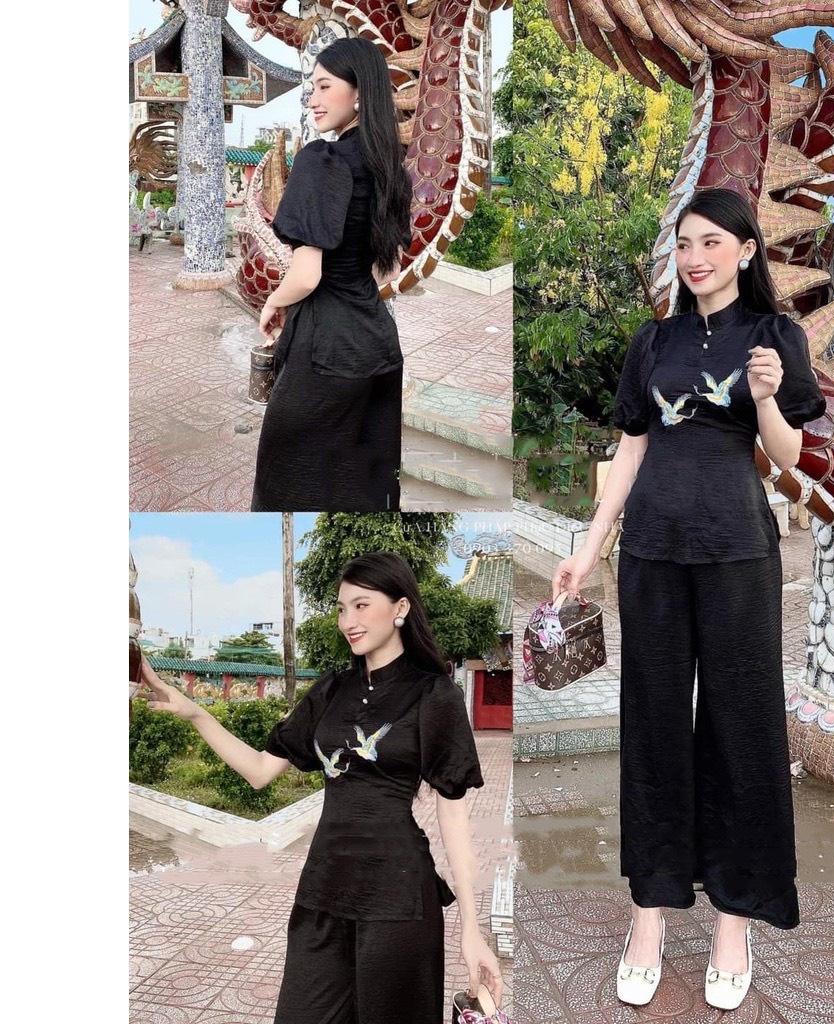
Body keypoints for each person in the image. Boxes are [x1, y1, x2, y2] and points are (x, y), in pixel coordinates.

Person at [552, 188, 826, 1010]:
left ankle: (734, 920)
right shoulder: (655, 340)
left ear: (746, 250)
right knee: (655, 728)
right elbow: (632, 447)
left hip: (738, 553)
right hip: (653, 556)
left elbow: (789, 458)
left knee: (743, 730)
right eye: (684, 243)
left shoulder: (775, 336)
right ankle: (650, 916)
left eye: (712, 242)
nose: (695, 257)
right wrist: (589, 546)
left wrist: (768, 396)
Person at [138, 552, 502, 1023]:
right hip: (323, 891)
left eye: (361, 605)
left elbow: (453, 817)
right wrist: (195, 713)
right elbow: (260, 770)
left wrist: (472, 928)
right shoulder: (332, 690)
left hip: (398, 897)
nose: (348, 621)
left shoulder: (434, 695)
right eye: (341, 608)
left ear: (400, 608)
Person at [250, 37, 412, 512]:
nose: (313, 100)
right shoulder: (388, 167)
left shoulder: (322, 160)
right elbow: (384, 268)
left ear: (359, 92)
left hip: (326, 354)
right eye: (311, 89)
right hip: (378, 346)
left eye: (324, 86)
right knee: (366, 483)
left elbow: (306, 275)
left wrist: (273, 301)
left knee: (287, 481)